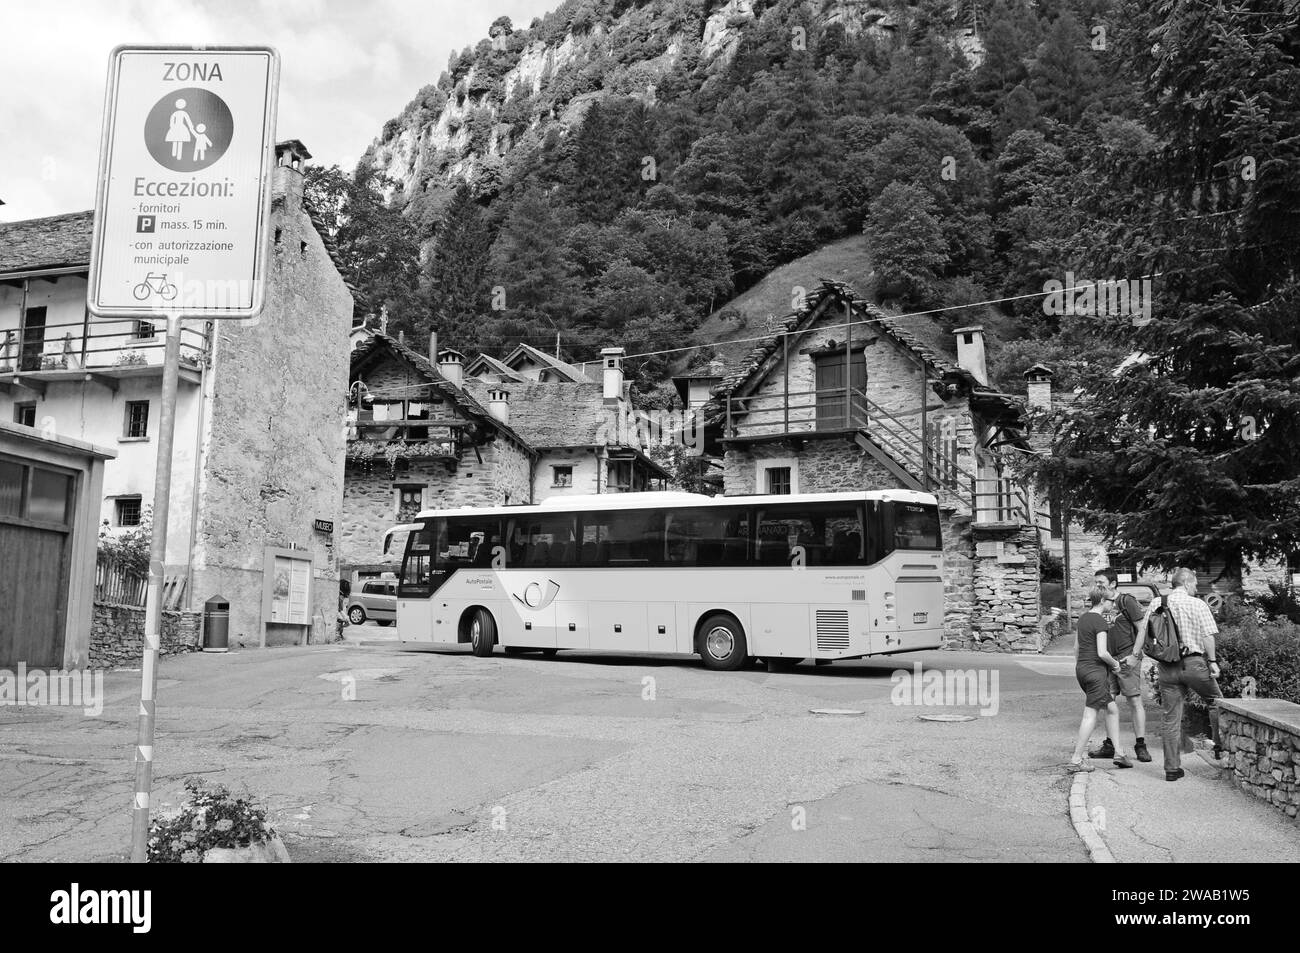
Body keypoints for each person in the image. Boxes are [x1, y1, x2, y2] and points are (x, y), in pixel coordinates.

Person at [1158, 568, 1225, 781]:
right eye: (1195, 584)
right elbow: (1207, 636)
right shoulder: (1197, 604)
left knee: (1171, 718)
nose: (1196, 588)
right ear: (1186, 583)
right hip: (1193, 663)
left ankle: (1171, 769)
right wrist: (1212, 662)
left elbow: (1146, 632)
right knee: (1216, 702)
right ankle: (1219, 746)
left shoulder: (1157, 602)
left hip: (1167, 666)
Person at [1068, 587, 1134, 772]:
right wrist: (1115, 665)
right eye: (1111, 601)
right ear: (1102, 601)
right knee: (1090, 714)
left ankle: (1119, 753)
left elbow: (1076, 648)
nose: (1113, 605)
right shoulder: (1100, 622)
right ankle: (1076, 760)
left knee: (1112, 709)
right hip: (1096, 673)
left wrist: (1082, 666)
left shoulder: (1083, 619)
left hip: (1082, 669)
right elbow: (1102, 652)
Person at [1087, 569, 1151, 762]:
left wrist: (1135, 655)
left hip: (1126, 658)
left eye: (1101, 582)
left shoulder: (1126, 601)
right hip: (1107, 660)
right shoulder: (1099, 602)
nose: (1098, 585)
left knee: (1134, 700)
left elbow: (1142, 629)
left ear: (1113, 583)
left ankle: (1140, 745)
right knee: (1109, 702)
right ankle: (1110, 745)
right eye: (1096, 582)